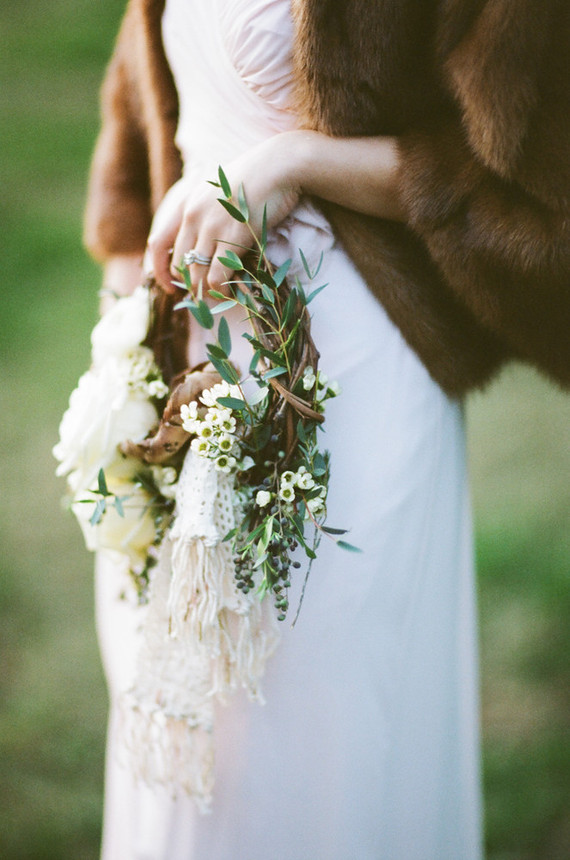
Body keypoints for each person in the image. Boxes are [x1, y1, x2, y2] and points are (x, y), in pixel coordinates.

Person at [85, 1, 570, 858]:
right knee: (181, 706)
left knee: (319, 722)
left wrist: (296, 161)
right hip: (180, 354)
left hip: (347, 371)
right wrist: (121, 338)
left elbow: (533, 191)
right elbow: (141, 98)